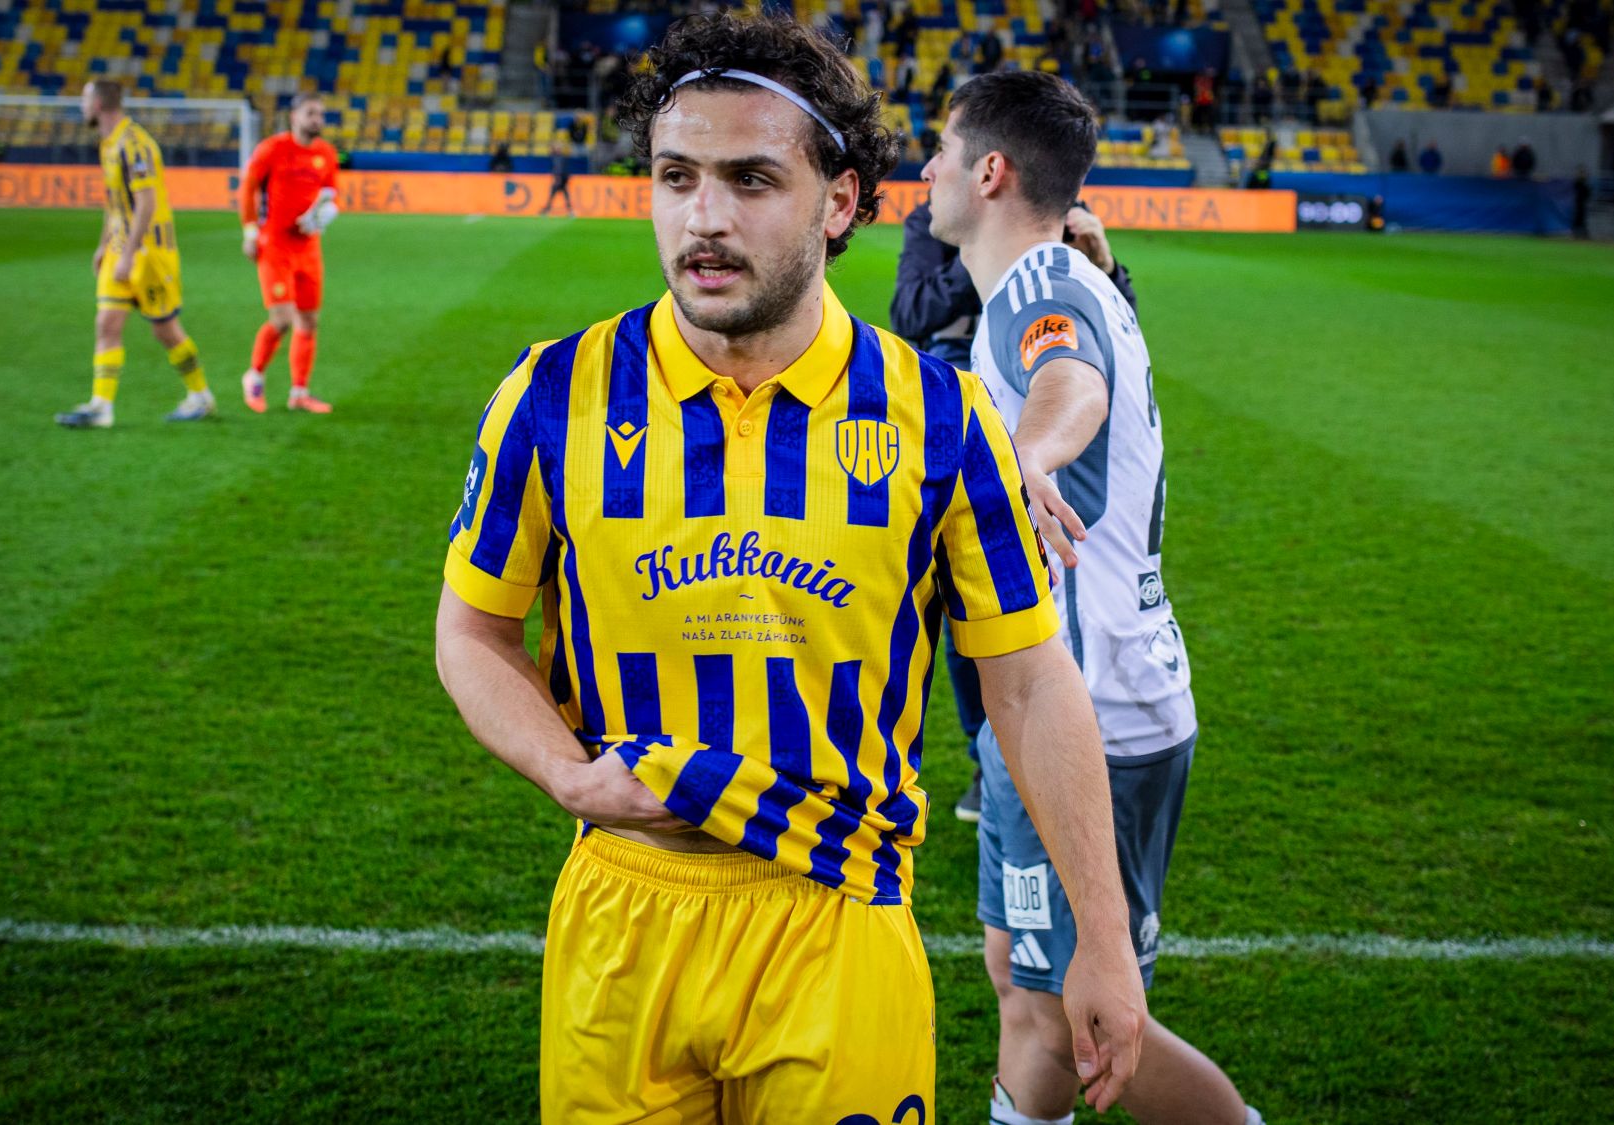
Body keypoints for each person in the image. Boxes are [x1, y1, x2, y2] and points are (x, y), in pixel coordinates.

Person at [435, 13, 1148, 1122]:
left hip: (835, 911)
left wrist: (1100, 937)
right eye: (676, 176)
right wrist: (568, 776)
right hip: (621, 909)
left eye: (752, 179)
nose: (704, 219)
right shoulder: (551, 394)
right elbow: (472, 629)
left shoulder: (942, 416)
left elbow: (1026, 680)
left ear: (840, 200)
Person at [922, 69, 1261, 1125]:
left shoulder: (1037, 284)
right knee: (1017, 980)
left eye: (940, 150)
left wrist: (1023, 456)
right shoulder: (1063, 278)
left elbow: (1071, 383)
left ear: (989, 171)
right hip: (1055, 696)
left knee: (1065, 1019)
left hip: (1088, 713)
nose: (924, 170)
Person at [890, 195, 1135, 822]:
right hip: (959, 417)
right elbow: (909, 311)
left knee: (1057, 588)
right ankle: (988, 756)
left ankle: (1082, 745)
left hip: (1045, 429)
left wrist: (1107, 267)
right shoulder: (936, 221)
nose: (930, 172)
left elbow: (1111, 343)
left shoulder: (1058, 221)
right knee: (969, 597)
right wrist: (979, 258)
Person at [56, 79, 214, 428]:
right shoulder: (109, 143)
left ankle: (201, 396)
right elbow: (115, 203)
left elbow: (146, 203)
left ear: (98, 104)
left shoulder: (136, 144)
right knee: (106, 323)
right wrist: (104, 245)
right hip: (120, 249)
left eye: (84, 99)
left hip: (150, 253)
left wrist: (128, 255)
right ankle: (101, 407)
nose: (81, 106)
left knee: (165, 330)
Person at [237, 92, 341, 415]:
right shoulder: (273, 148)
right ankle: (254, 376)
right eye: (311, 113)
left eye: (320, 114)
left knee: (308, 321)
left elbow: (331, 194)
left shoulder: (326, 153)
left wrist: (326, 214)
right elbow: (248, 187)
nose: (317, 119)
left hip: (308, 247)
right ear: (294, 116)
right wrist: (250, 231)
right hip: (276, 245)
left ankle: (299, 392)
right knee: (282, 319)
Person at [539, 137, 574, 215]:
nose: (558, 149)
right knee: (557, 195)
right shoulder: (555, 157)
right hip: (559, 180)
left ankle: (570, 211)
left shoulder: (561, 158)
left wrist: (563, 178)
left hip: (561, 180)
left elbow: (562, 169)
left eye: (559, 148)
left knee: (562, 195)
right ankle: (570, 211)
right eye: (557, 147)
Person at [1572, 167, 1592, 239]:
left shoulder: (1585, 184)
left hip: (1583, 204)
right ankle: (1576, 234)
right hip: (1578, 204)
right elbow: (1575, 185)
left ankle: (1583, 234)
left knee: (1582, 219)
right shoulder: (1578, 183)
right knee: (1577, 219)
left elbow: (1588, 194)